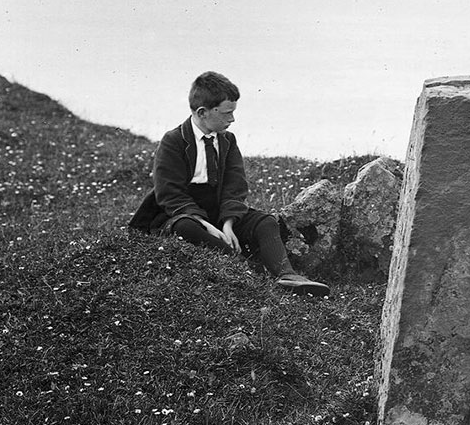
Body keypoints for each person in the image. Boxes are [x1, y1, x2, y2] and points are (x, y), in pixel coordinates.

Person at [127, 71, 329, 297]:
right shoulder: (173, 141)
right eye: (227, 113)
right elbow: (169, 192)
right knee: (187, 228)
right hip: (180, 213)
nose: (232, 119)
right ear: (202, 113)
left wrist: (228, 223)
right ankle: (247, 268)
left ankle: (288, 275)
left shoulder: (227, 140)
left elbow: (235, 185)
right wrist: (206, 225)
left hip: (219, 212)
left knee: (265, 221)